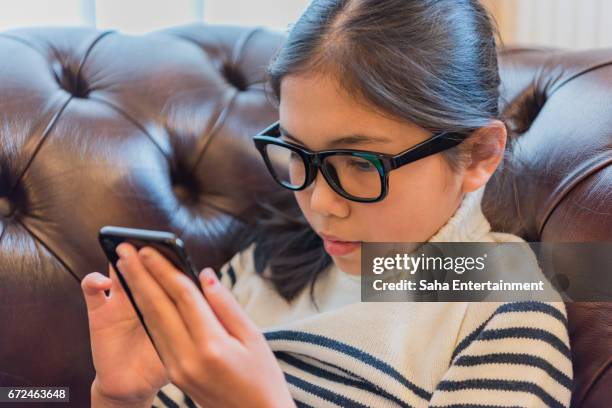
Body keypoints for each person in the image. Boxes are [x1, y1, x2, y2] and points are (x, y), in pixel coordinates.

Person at [81, 0, 573, 407]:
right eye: (298, 154)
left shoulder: (503, 300)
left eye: (361, 163)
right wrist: (121, 397)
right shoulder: (262, 266)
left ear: (478, 155)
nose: (321, 204)